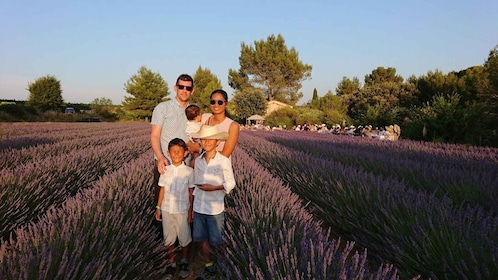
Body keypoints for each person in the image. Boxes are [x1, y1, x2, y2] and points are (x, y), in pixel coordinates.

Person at [191, 125, 236, 279]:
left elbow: (231, 182)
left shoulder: (223, 161)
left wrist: (215, 187)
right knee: (201, 239)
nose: (207, 142)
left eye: (211, 139)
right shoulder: (198, 161)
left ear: (217, 142)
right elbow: (195, 183)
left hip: (215, 209)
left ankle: (225, 265)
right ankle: (209, 266)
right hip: (198, 207)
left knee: (218, 240)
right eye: (204, 139)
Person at [155, 138, 194, 279]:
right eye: (173, 151)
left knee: (184, 237)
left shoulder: (189, 172)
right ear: (168, 153)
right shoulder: (165, 171)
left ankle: (183, 261)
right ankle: (171, 263)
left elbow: (191, 193)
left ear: (185, 153)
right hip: (167, 209)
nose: (176, 154)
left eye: (179, 151)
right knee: (169, 237)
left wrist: (191, 211)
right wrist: (158, 207)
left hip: (183, 209)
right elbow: (162, 190)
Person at [200, 89, 239, 158]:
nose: (216, 105)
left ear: (226, 104)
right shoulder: (204, 118)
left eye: (220, 102)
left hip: (220, 166)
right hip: (202, 166)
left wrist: (202, 157)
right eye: (213, 102)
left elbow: (225, 154)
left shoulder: (232, 126)